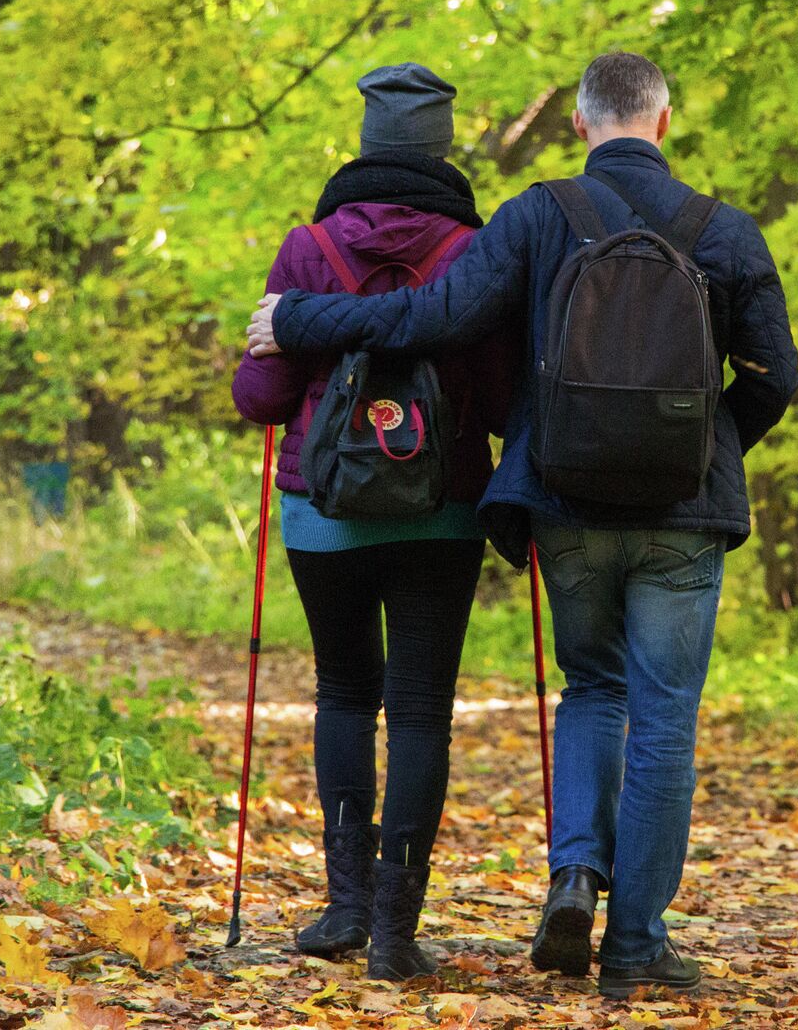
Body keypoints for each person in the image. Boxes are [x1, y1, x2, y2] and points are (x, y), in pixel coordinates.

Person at [247, 52, 798, 999]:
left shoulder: (538, 216)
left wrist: (298, 316)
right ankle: (636, 942)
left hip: (569, 506)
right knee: (664, 716)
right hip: (682, 518)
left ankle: (574, 874)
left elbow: (435, 316)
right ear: (665, 123)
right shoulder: (726, 230)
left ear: (580, 126)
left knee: (592, 687)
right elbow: (775, 377)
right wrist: (709, 448)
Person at [230, 62, 514, 981]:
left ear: (364, 140)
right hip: (444, 504)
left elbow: (263, 397)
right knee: (422, 706)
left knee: (346, 692)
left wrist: (296, 338)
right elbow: (507, 395)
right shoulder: (478, 253)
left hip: (326, 511)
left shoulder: (309, 245)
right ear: (444, 145)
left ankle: (345, 906)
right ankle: (398, 928)